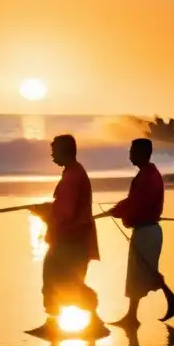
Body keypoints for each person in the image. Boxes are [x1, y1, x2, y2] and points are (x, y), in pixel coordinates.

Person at [103, 138, 174, 326]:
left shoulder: (148, 176)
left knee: (143, 272)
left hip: (147, 231)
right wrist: (119, 208)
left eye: (132, 151)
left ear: (141, 153)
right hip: (146, 230)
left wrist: (118, 210)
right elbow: (134, 201)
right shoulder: (148, 174)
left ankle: (136, 315)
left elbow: (136, 203)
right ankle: (134, 315)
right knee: (141, 272)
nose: (129, 154)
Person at [30, 135, 102, 328]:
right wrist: (48, 207)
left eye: (54, 151)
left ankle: (54, 325)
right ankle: (91, 320)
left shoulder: (72, 176)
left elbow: (66, 213)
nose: (52, 156)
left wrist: (45, 211)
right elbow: (65, 206)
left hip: (69, 241)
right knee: (68, 283)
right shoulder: (74, 172)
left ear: (64, 151)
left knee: (55, 282)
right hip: (75, 240)